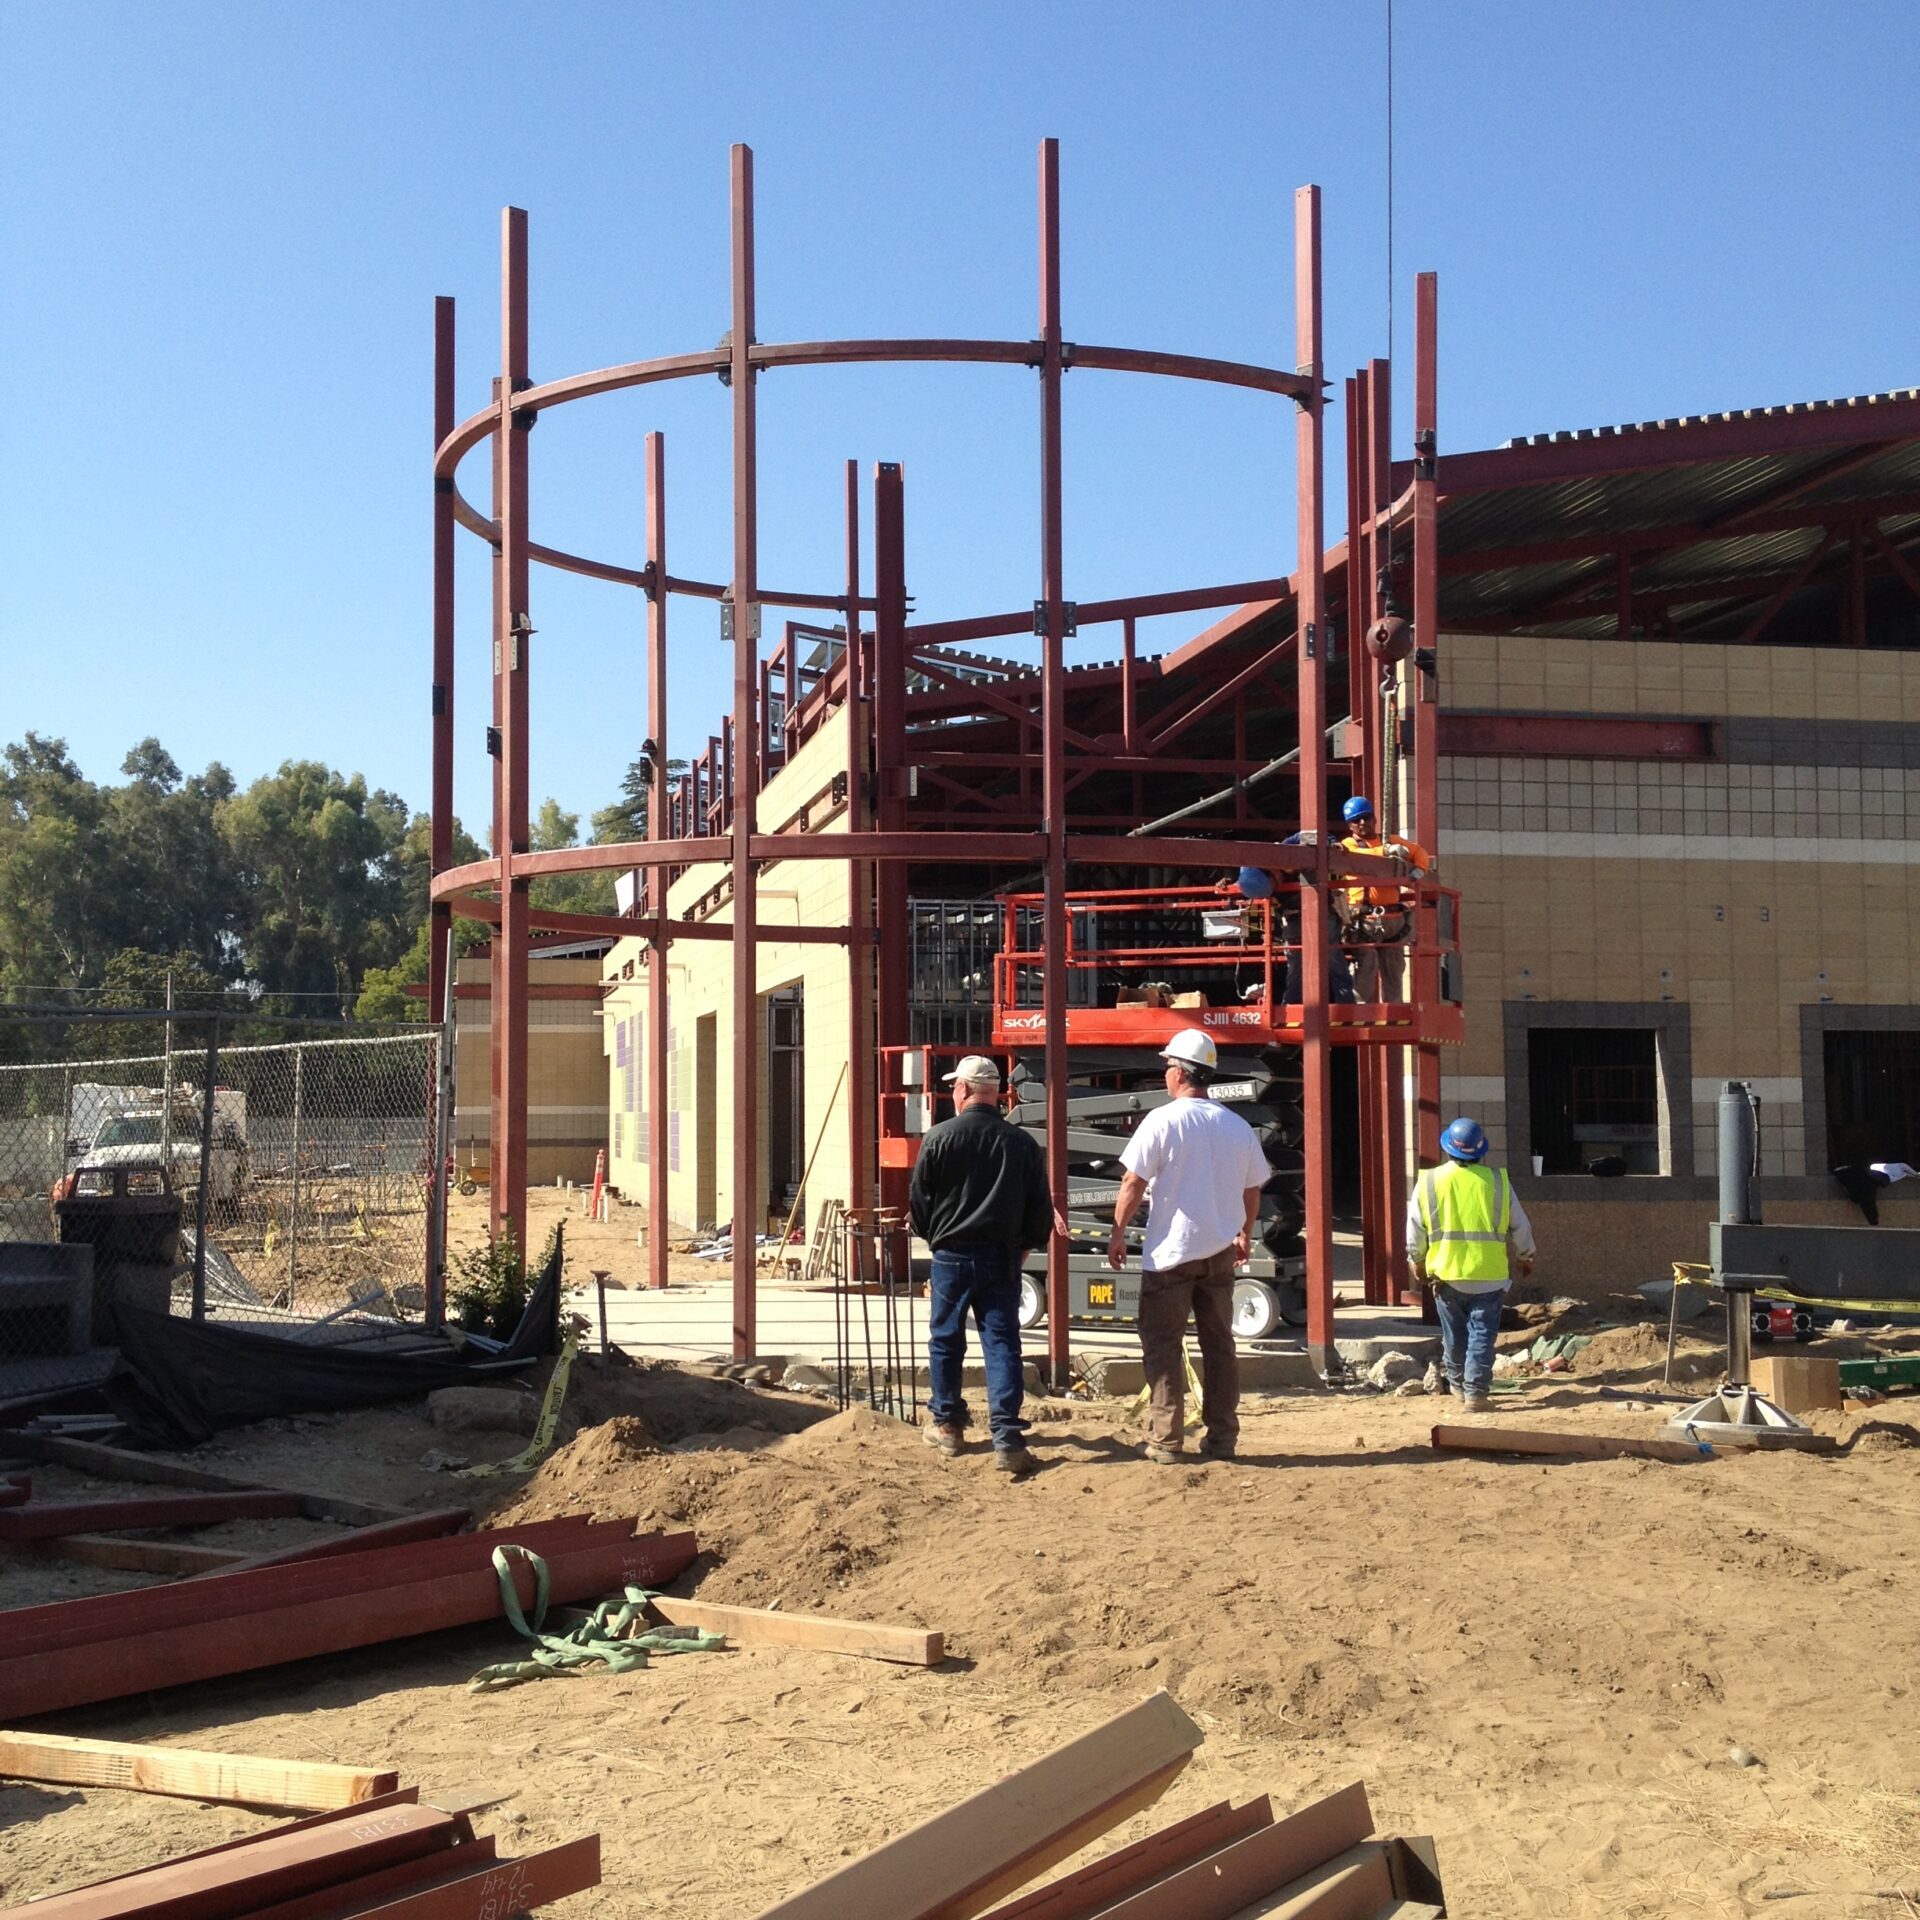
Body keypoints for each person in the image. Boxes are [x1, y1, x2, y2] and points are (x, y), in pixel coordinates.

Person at [1106, 1028, 1269, 1464]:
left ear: (1179, 1073)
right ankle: (1222, 1439)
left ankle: (1165, 1440)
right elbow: (1253, 1189)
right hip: (1219, 1253)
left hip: (1171, 1253)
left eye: (1167, 1066)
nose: (1165, 1074)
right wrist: (1245, 1231)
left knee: (1162, 1344)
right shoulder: (1236, 1126)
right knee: (1219, 1345)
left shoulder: (1162, 1120)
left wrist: (1118, 1231)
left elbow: (1133, 1181)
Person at [909, 1054, 1052, 1477]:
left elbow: (919, 1203)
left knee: (946, 1340)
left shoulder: (938, 1137)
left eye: (955, 1086)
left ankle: (948, 1426)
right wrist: (1025, 1245)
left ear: (965, 1090)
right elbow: (1038, 1208)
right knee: (1002, 1343)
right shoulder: (1020, 1143)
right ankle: (1007, 1437)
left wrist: (934, 1238)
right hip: (1002, 1256)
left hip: (951, 1255)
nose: (952, 1091)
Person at [1406, 1116, 1536, 1413]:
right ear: (1480, 1152)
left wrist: (1417, 1261)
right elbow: (1520, 1225)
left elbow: (1415, 1228)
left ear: (1448, 1148)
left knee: (1455, 1335)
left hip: (1446, 1275)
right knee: (1482, 1335)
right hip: (1489, 1276)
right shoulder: (1498, 1182)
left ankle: (1458, 1385)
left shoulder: (1429, 1182)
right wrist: (1525, 1256)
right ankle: (1476, 1391)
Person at [1214, 836, 1355, 1005]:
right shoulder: (1255, 880)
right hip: (1293, 918)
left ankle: (1346, 1005)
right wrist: (1227, 885)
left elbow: (1309, 833)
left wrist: (1330, 842)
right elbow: (1244, 887)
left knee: (1332, 959)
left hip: (1321, 914)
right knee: (1296, 966)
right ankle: (1291, 1005)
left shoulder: (1283, 851)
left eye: (1274, 883)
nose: (1277, 885)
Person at [1335, 796, 1432, 1002]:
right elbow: (1360, 857)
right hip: (1363, 920)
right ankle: (1363, 1014)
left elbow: (1420, 852)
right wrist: (1386, 850)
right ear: (1349, 824)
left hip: (1393, 920)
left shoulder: (1391, 839)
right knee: (1366, 969)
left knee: (1394, 971)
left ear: (1374, 819)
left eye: (1366, 817)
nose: (1362, 823)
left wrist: (1420, 869)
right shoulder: (1347, 845)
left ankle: (1393, 1013)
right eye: (1356, 820)